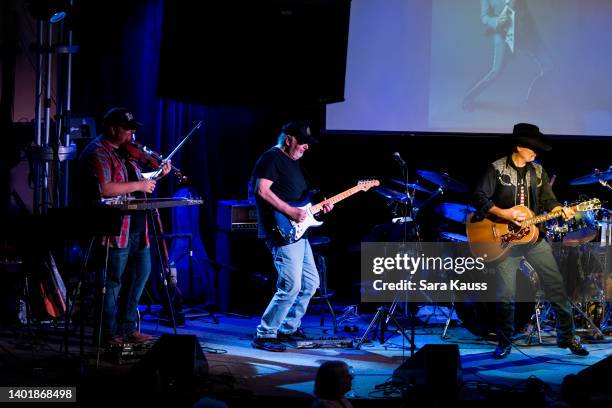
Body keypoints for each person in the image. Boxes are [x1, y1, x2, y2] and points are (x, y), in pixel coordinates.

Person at [473, 123, 588, 359]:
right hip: (505, 242)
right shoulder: (497, 168)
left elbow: (549, 200)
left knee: (556, 286)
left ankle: (567, 337)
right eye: (533, 147)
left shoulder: (539, 171)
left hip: (534, 238)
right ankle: (504, 341)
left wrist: (560, 210)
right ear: (519, 146)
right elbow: (479, 197)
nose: (536, 152)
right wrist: (505, 214)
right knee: (506, 295)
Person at [78, 107, 171, 345]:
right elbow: (105, 189)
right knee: (112, 282)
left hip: (138, 228)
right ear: (112, 128)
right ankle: (107, 334)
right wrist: (140, 184)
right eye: (127, 129)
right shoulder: (98, 152)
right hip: (115, 230)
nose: (132, 134)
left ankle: (128, 328)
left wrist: (157, 174)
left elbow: (135, 182)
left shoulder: (124, 152)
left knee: (140, 275)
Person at [250, 121, 333, 352]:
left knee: (311, 283)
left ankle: (288, 327)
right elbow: (261, 190)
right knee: (291, 285)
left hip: (299, 231)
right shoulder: (271, 158)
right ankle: (265, 333)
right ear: (288, 139)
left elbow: (299, 201)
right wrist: (290, 212)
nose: (307, 147)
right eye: (303, 142)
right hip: (281, 231)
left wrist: (316, 208)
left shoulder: (294, 163)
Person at [462, 0, 547, 111]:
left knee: (548, 64)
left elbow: (525, 10)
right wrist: (496, 21)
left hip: (523, 32)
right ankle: (468, 98)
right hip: (502, 33)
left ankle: (533, 97)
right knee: (496, 71)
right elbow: (484, 17)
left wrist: (534, 34)